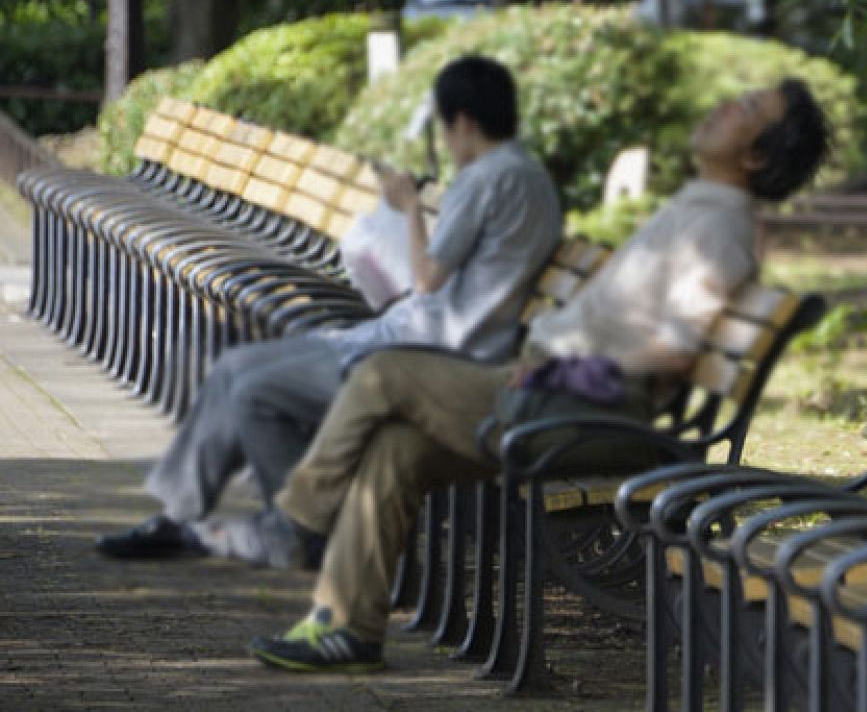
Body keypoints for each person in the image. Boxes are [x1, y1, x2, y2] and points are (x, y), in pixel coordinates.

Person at [247, 79, 828, 673]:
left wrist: (562, 366)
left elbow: (675, 350)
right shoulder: (700, 207)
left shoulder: (719, 227)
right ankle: (349, 629)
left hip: (583, 411)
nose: (728, 101)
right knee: (397, 449)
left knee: (382, 374)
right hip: (564, 397)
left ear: (755, 155)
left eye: (749, 109)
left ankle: (298, 518)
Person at [96, 55, 563, 565]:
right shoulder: (530, 176)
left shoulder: (488, 176)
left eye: (448, 130)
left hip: (425, 356)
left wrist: (408, 208)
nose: (449, 145)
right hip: (418, 338)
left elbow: (427, 278)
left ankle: (301, 528)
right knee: (234, 369)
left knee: (252, 388)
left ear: (465, 122)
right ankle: (200, 516)